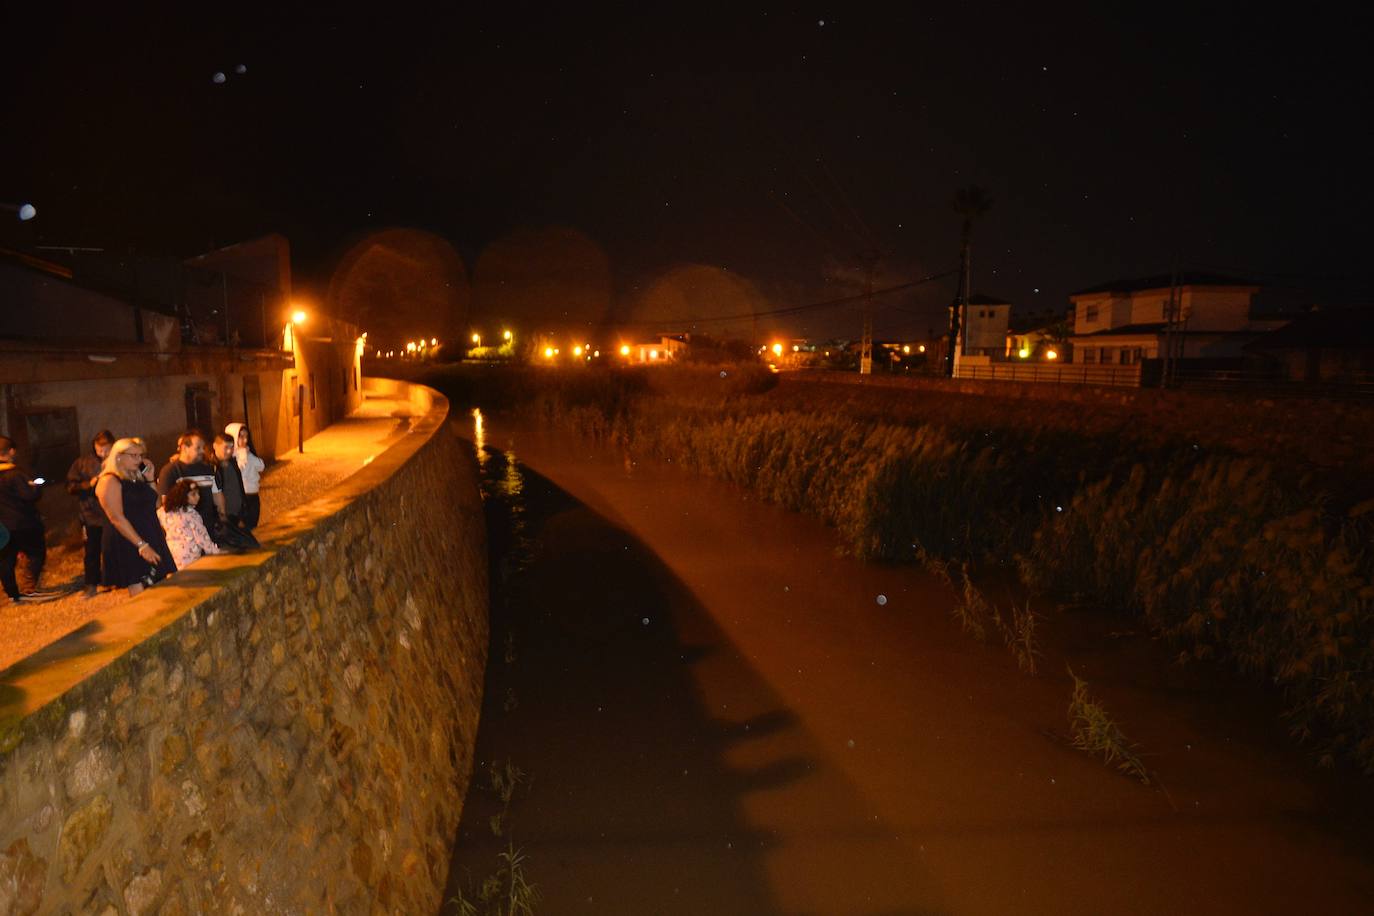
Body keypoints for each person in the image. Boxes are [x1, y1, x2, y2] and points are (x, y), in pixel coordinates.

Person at [97, 437, 175, 595]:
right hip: (129, 539)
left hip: (148, 532)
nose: (139, 459)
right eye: (134, 455)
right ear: (118, 456)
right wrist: (141, 545)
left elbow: (157, 504)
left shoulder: (136, 477)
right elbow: (116, 517)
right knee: (139, 585)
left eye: (141, 455)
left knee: (159, 582)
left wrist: (150, 479)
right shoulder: (110, 480)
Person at [0, 435, 53, 603]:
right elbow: (29, 496)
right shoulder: (16, 474)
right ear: (11, 451)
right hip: (24, 523)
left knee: (6, 560)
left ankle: (13, 594)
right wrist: (36, 487)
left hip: (3, 526)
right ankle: (29, 589)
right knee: (37, 553)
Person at [66, 429, 115, 598]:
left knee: (113, 548)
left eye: (107, 449)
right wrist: (88, 484)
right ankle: (91, 584)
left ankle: (113, 579)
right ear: (94, 446)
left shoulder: (118, 461)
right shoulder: (82, 463)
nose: (103, 453)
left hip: (113, 513)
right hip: (91, 514)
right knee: (92, 551)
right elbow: (71, 486)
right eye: (99, 449)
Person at [156, 430, 225, 544]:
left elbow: (217, 495)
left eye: (203, 448)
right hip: (185, 536)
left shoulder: (208, 469)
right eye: (198, 448)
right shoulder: (170, 471)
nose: (202, 451)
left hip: (209, 529)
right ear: (184, 448)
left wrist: (223, 518)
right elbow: (165, 504)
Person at [157, 480, 223, 570]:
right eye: (193, 494)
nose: (198, 497)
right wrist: (216, 552)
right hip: (190, 556)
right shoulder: (191, 514)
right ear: (183, 496)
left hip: (172, 555)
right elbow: (201, 538)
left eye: (198, 494)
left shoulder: (164, 511)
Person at [211, 433, 258, 549]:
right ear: (215, 446)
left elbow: (239, 486)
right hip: (225, 518)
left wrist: (243, 508)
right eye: (225, 448)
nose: (229, 451)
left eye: (231, 447)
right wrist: (222, 515)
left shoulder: (232, 462)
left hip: (237, 514)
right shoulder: (212, 467)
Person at [224, 422, 264, 531]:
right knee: (243, 528)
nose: (245, 440)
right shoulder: (231, 457)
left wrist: (248, 455)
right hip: (242, 497)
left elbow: (261, 466)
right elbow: (240, 472)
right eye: (241, 436)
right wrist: (242, 456)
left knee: (253, 527)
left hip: (254, 495)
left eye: (246, 436)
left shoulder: (248, 453)